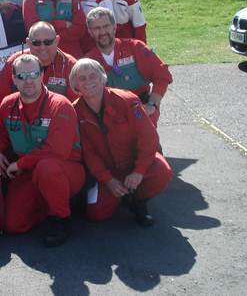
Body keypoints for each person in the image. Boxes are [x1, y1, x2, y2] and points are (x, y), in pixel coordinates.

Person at [0, 54, 85, 247]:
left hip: (64, 169)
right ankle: (51, 201)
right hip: (27, 173)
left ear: (42, 75)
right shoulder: (8, 104)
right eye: (22, 76)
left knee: (46, 168)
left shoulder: (60, 105)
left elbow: (58, 152)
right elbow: (1, 136)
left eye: (33, 74)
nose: (29, 80)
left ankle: (61, 219)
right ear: (14, 79)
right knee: (14, 225)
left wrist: (20, 163)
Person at [70, 58, 172, 226]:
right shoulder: (75, 111)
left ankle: (138, 201)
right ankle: (120, 196)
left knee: (162, 171)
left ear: (102, 77)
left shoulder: (127, 100)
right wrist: (108, 180)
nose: (88, 81)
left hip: (134, 164)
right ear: (75, 84)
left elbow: (149, 137)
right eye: (82, 78)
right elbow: (89, 153)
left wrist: (139, 171)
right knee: (96, 213)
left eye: (92, 76)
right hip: (108, 172)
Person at [0, 21, 78, 131]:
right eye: (36, 43)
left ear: (57, 40)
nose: (42, 47)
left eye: (48, 42)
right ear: (28, 42)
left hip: (56, 130)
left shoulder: (70, 66)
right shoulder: (15, 62)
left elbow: (76, 109)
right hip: (21, 128)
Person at [84, 7, 172, 126]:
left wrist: (152, 105)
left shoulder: (135, 47)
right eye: (97, 28)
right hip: (111, 123)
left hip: (142, 120)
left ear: (114, 27)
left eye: (106, 26)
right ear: (90, 31)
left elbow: (162, 75)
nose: (102, 32)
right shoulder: (88, 61)